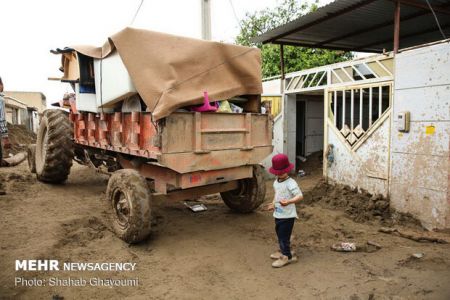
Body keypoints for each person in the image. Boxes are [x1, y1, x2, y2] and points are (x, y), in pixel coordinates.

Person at [267, 153, 303, 268]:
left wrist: (289, 202)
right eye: (278, 172)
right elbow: (276, 195)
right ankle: (283, 251)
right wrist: (273, 204)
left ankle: (286, 256)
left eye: (282, 171)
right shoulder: (276, 182)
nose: (280, 174)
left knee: (283, 236)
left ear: (287, 170)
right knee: (279, 234)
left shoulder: (291, 183)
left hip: (288, 216)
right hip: (278, 214)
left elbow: (300, 196)